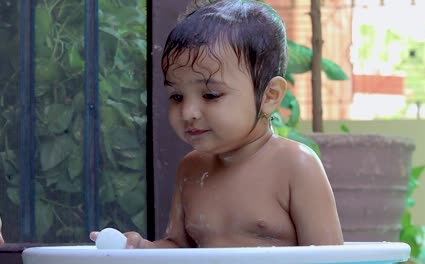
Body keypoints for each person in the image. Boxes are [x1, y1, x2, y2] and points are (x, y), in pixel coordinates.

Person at [91, 0, 343, 248]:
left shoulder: (295, 166)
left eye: (210, 95)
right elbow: (178, 249)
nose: (188, 112)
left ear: (269, 95)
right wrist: (141, 248)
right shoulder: (191, 169)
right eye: (177, 96)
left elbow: (331, 258)